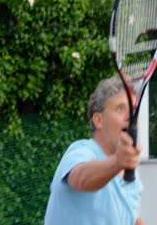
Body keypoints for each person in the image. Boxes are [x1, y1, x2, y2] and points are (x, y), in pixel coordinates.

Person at [45, 74, 145, 225]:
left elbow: (129, 215)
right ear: (98, 120)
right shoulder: (81, 151)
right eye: (120, 108)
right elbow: (80, 178)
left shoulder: (132, 177)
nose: (130, 117)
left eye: (132, 110)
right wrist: (117, 162)